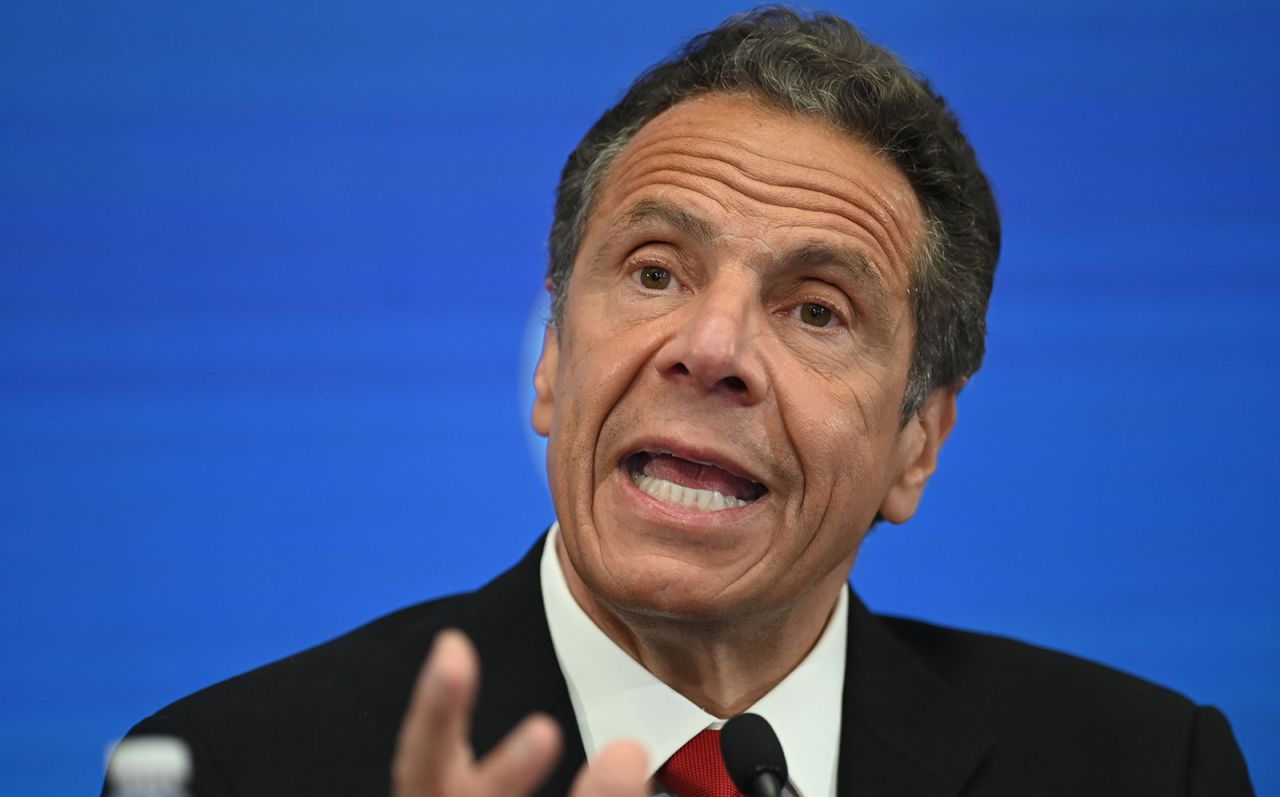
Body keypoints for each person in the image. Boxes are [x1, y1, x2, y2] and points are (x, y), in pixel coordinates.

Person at [108, 7, 1254, 796]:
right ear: (552, 359)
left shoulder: (1144, 767)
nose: (710, 349)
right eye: (655, 271)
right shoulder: (229, 768)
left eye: (816, 309)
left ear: (918, 440)